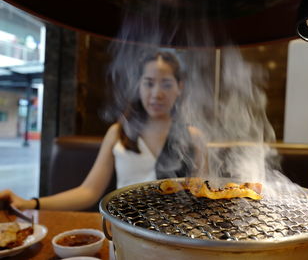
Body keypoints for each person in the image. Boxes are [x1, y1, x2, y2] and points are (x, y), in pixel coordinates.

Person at [0, 50, 204, 211]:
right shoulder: (119, 132)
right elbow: (88, 191)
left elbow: (203, 194)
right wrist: (29, 203)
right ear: (138, 86)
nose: (157, 93)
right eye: (149, 83)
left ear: (180, 87)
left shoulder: (193, 137)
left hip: (175, 230)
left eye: (166, 84)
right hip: (125, 226)